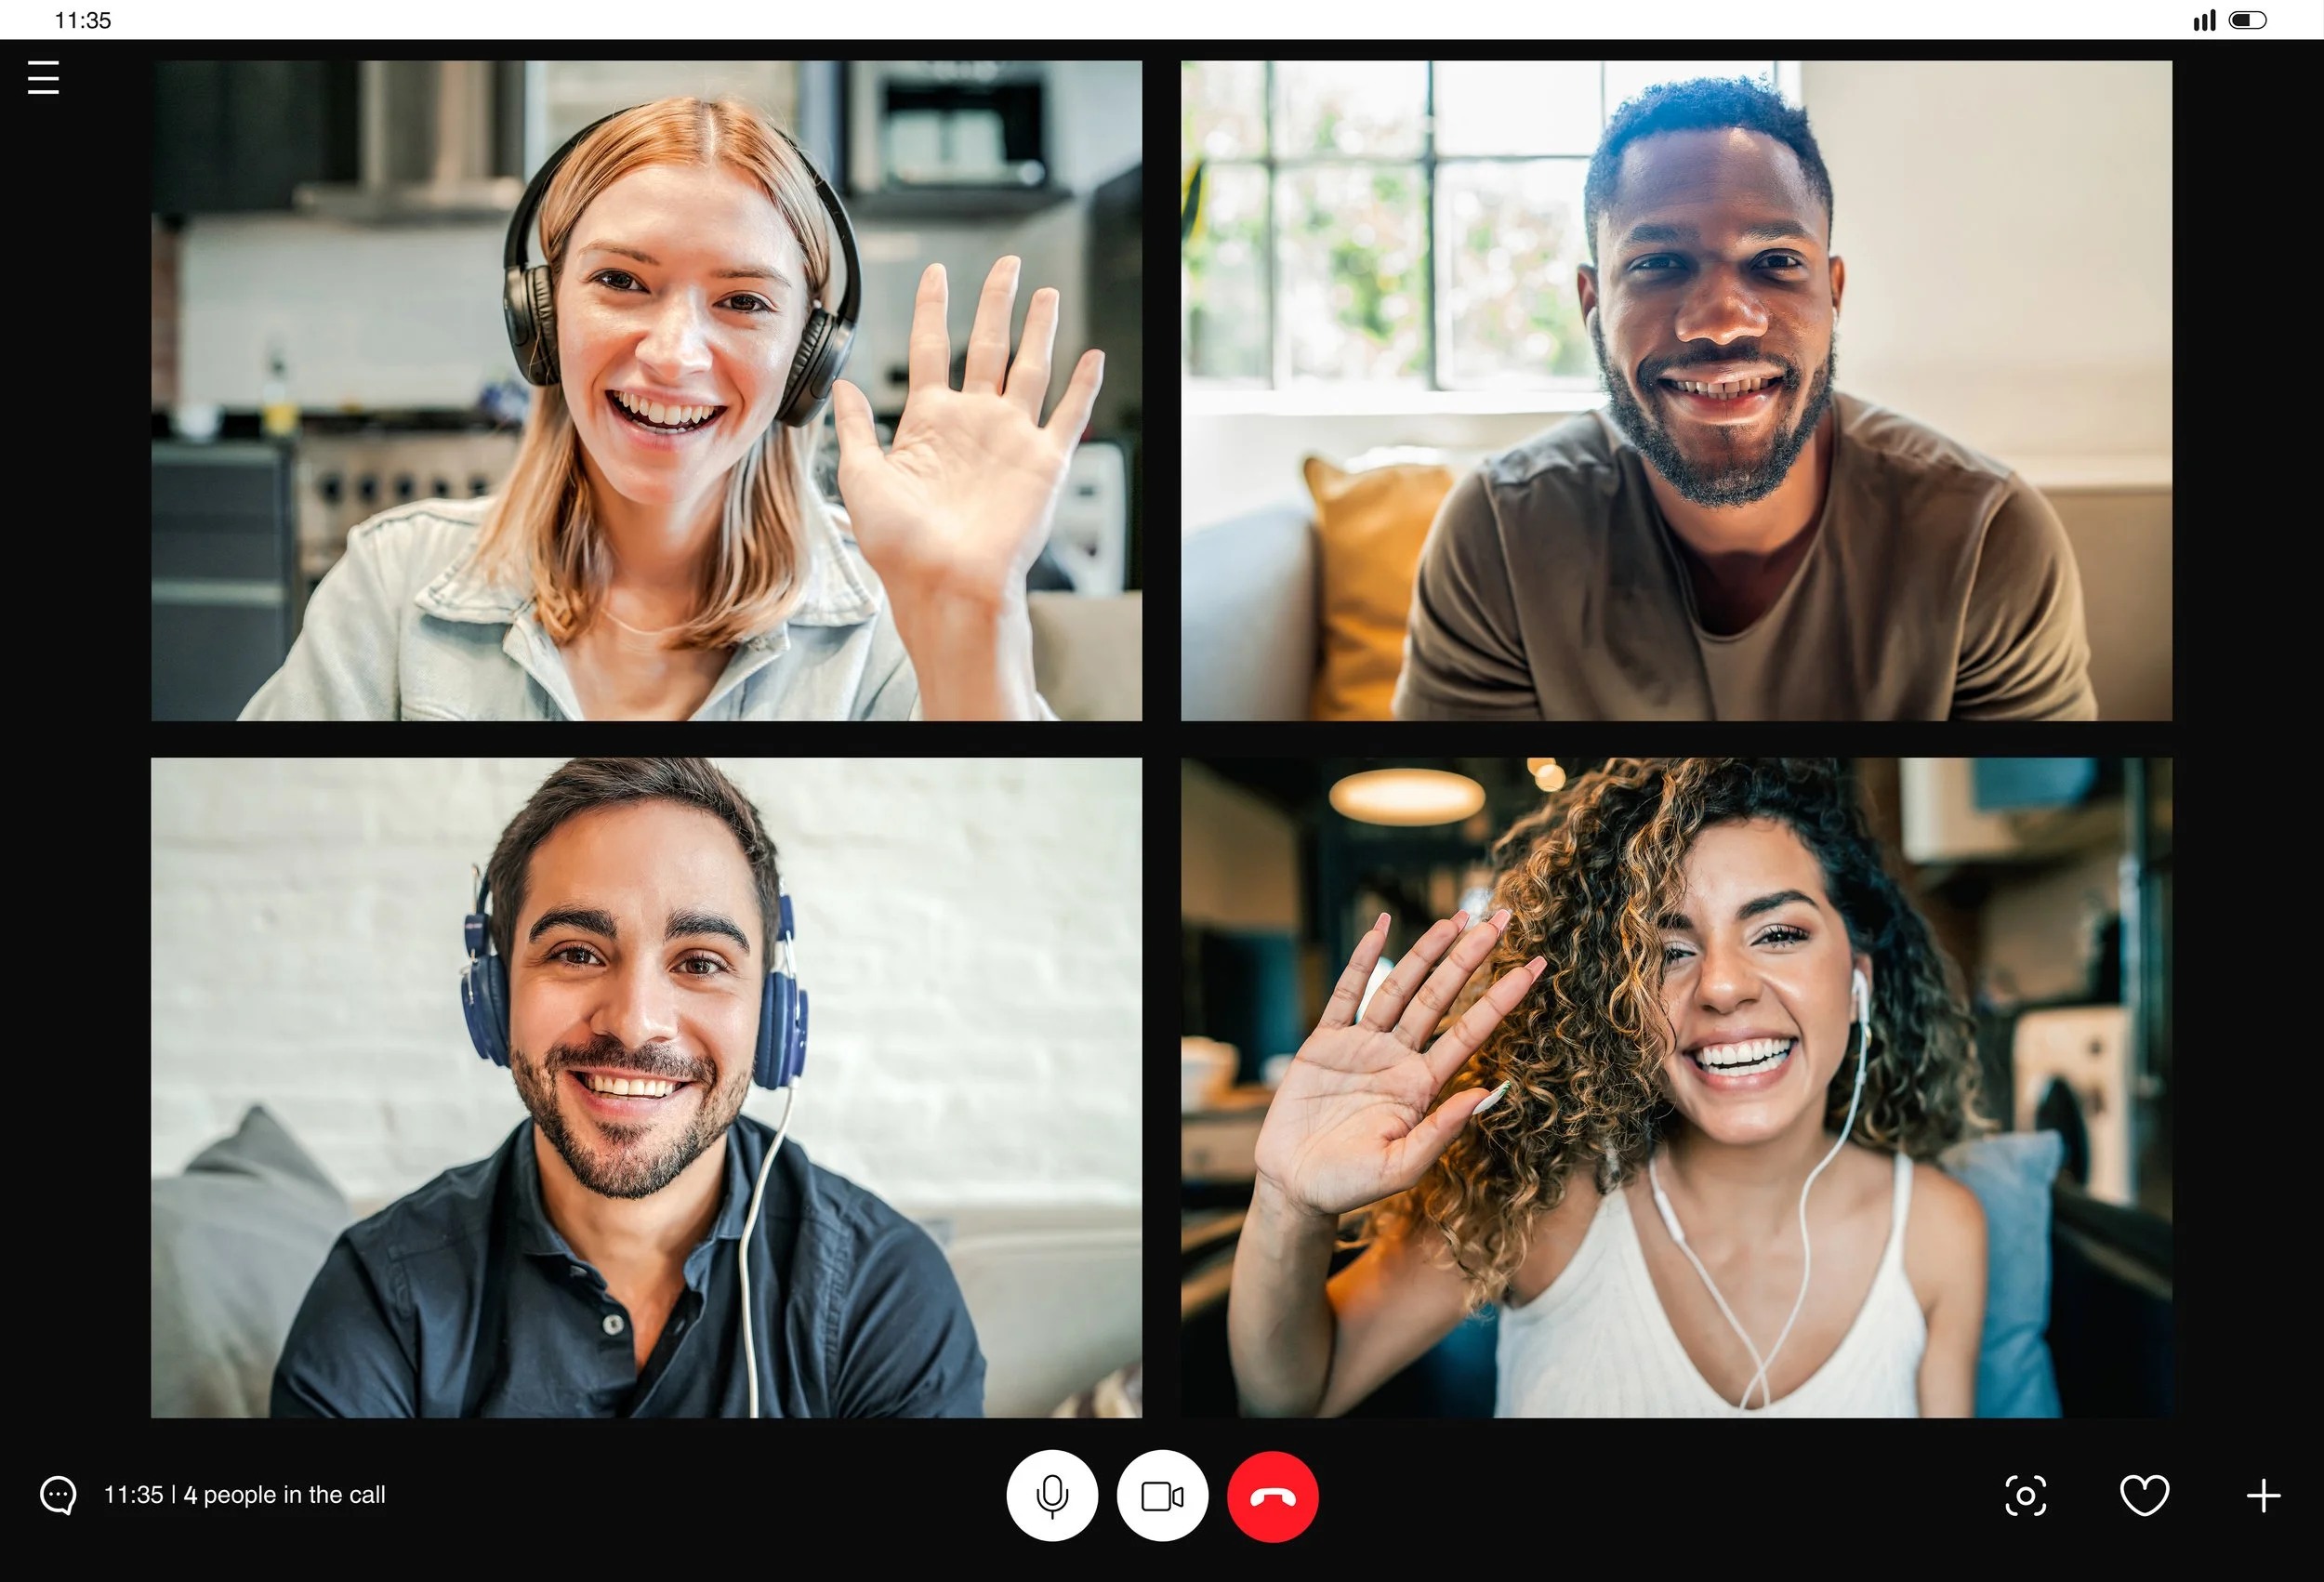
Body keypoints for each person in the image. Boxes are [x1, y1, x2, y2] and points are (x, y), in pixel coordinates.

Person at [241, 97, 1103, 719]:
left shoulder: (887, 614)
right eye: (620, 281)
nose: (674, 354)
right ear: (539, 315)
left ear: (810, 355)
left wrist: (970, 611)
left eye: (743, 302)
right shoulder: (391, 589)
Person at [1229, 758, 1988, 1417]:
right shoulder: (1547, 1201)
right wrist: (1288, 1201)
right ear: (1614, 1000)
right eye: (1667, 950)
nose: (1722, 985)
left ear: (1860, 978)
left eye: (1779, 933)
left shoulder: (1938, 1230)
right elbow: (1293, 1396)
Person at [271, 758, 984, 1416]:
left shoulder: (882, 1293)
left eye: (700, 963)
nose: (637, 1024)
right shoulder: (379, 1297)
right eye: (577, 953)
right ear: (494, 999)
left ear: (774, 1015)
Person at [1393, 78, 2094, 720]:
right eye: (1658, 264)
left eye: (1777, 263)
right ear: (1592, 303)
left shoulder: (1987, 539)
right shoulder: (1498, 537)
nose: (1723, 319)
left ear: (1834, 292)